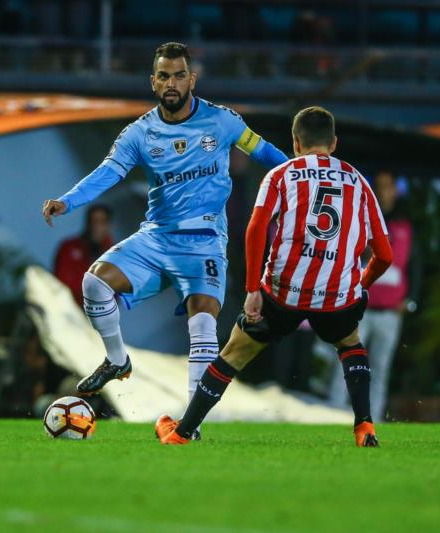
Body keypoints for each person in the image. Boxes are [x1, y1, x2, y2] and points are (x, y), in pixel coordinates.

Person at [41, 42, 289, 423]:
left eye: (178, 75)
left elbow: (265, 153)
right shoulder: (139, 133)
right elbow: (108, 173)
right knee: (94, 284)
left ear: (191, 78)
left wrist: (302, 179)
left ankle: (191, 424)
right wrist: (68, 201)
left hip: (205, 240)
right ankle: (117, 359)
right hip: (156, 237)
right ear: (153, 81)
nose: (171, 83)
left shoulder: (221, 121)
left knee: (203, 322)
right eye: (163, 76)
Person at [155, 106, 393, 447]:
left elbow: (255, 230)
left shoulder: (282, 174)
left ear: (296, 142)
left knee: (234, 352)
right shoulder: (358, 181)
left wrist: (253, 289)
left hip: (283, 293)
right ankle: (365, 427)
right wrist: (358, 286)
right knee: (350, 343)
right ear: (334, 143)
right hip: (335, 295)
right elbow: (385, 255)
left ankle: (182, 432)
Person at [325, 170, 419, 421]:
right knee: (344, 365)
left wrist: (411, 300)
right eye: (378, 187)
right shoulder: (359, 221)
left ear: (395, 191)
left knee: (379, 369)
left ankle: (371, 420)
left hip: (390, 312)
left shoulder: (406, 225)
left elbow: (415, 266)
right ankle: (333, 416)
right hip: (359, 308)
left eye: (388, 187)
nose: (382, 192)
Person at [53, 204, 114, 306]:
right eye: (93, 221)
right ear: (87, 223)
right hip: (64, 306)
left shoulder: (114, 257)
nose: (96, 227)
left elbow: (115, 294)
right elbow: (62, 282)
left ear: (108, 225)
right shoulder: (69, 247)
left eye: (102, 222)